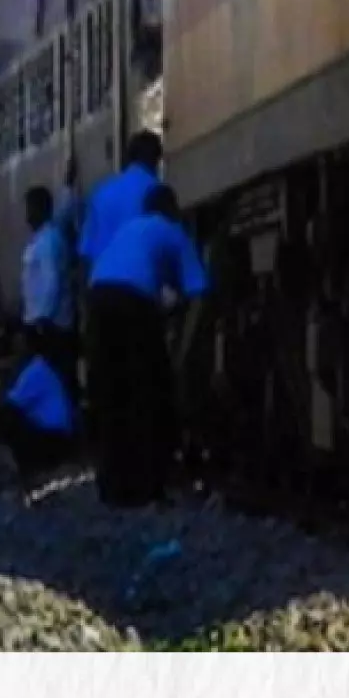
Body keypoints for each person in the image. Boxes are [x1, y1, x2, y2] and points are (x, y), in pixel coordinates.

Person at [82, 183, 209, 508]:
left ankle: (113, 488)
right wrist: (182, 356)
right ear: (172, 210)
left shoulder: (129, 230)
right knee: (149, 394)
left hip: (98, 297)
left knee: (112, 395)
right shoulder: (174, 232)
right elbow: (199, 295)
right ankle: (149, 488)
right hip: (133, 301)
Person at [75, 131, 163, 269]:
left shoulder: (101, 191)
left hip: (102, 275)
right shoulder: (156, 190)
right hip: (139, 274)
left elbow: (86, 251)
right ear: (156, 159)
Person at [21, 185, 78, 379]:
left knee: (54, 376)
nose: (27, 216)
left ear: (41, 210)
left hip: (51, 326)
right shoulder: (43, 239)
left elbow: (52, 282)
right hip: (43, 322)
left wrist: (43, 319)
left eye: (30, 209)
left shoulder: (48, 242)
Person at [0, 353, 76, 484]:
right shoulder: (44, 368)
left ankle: (25, 475)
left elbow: (12, 402)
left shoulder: (35, 370)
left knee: (11, 420)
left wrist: (2, 379)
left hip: (51, 436)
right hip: (59, 434)